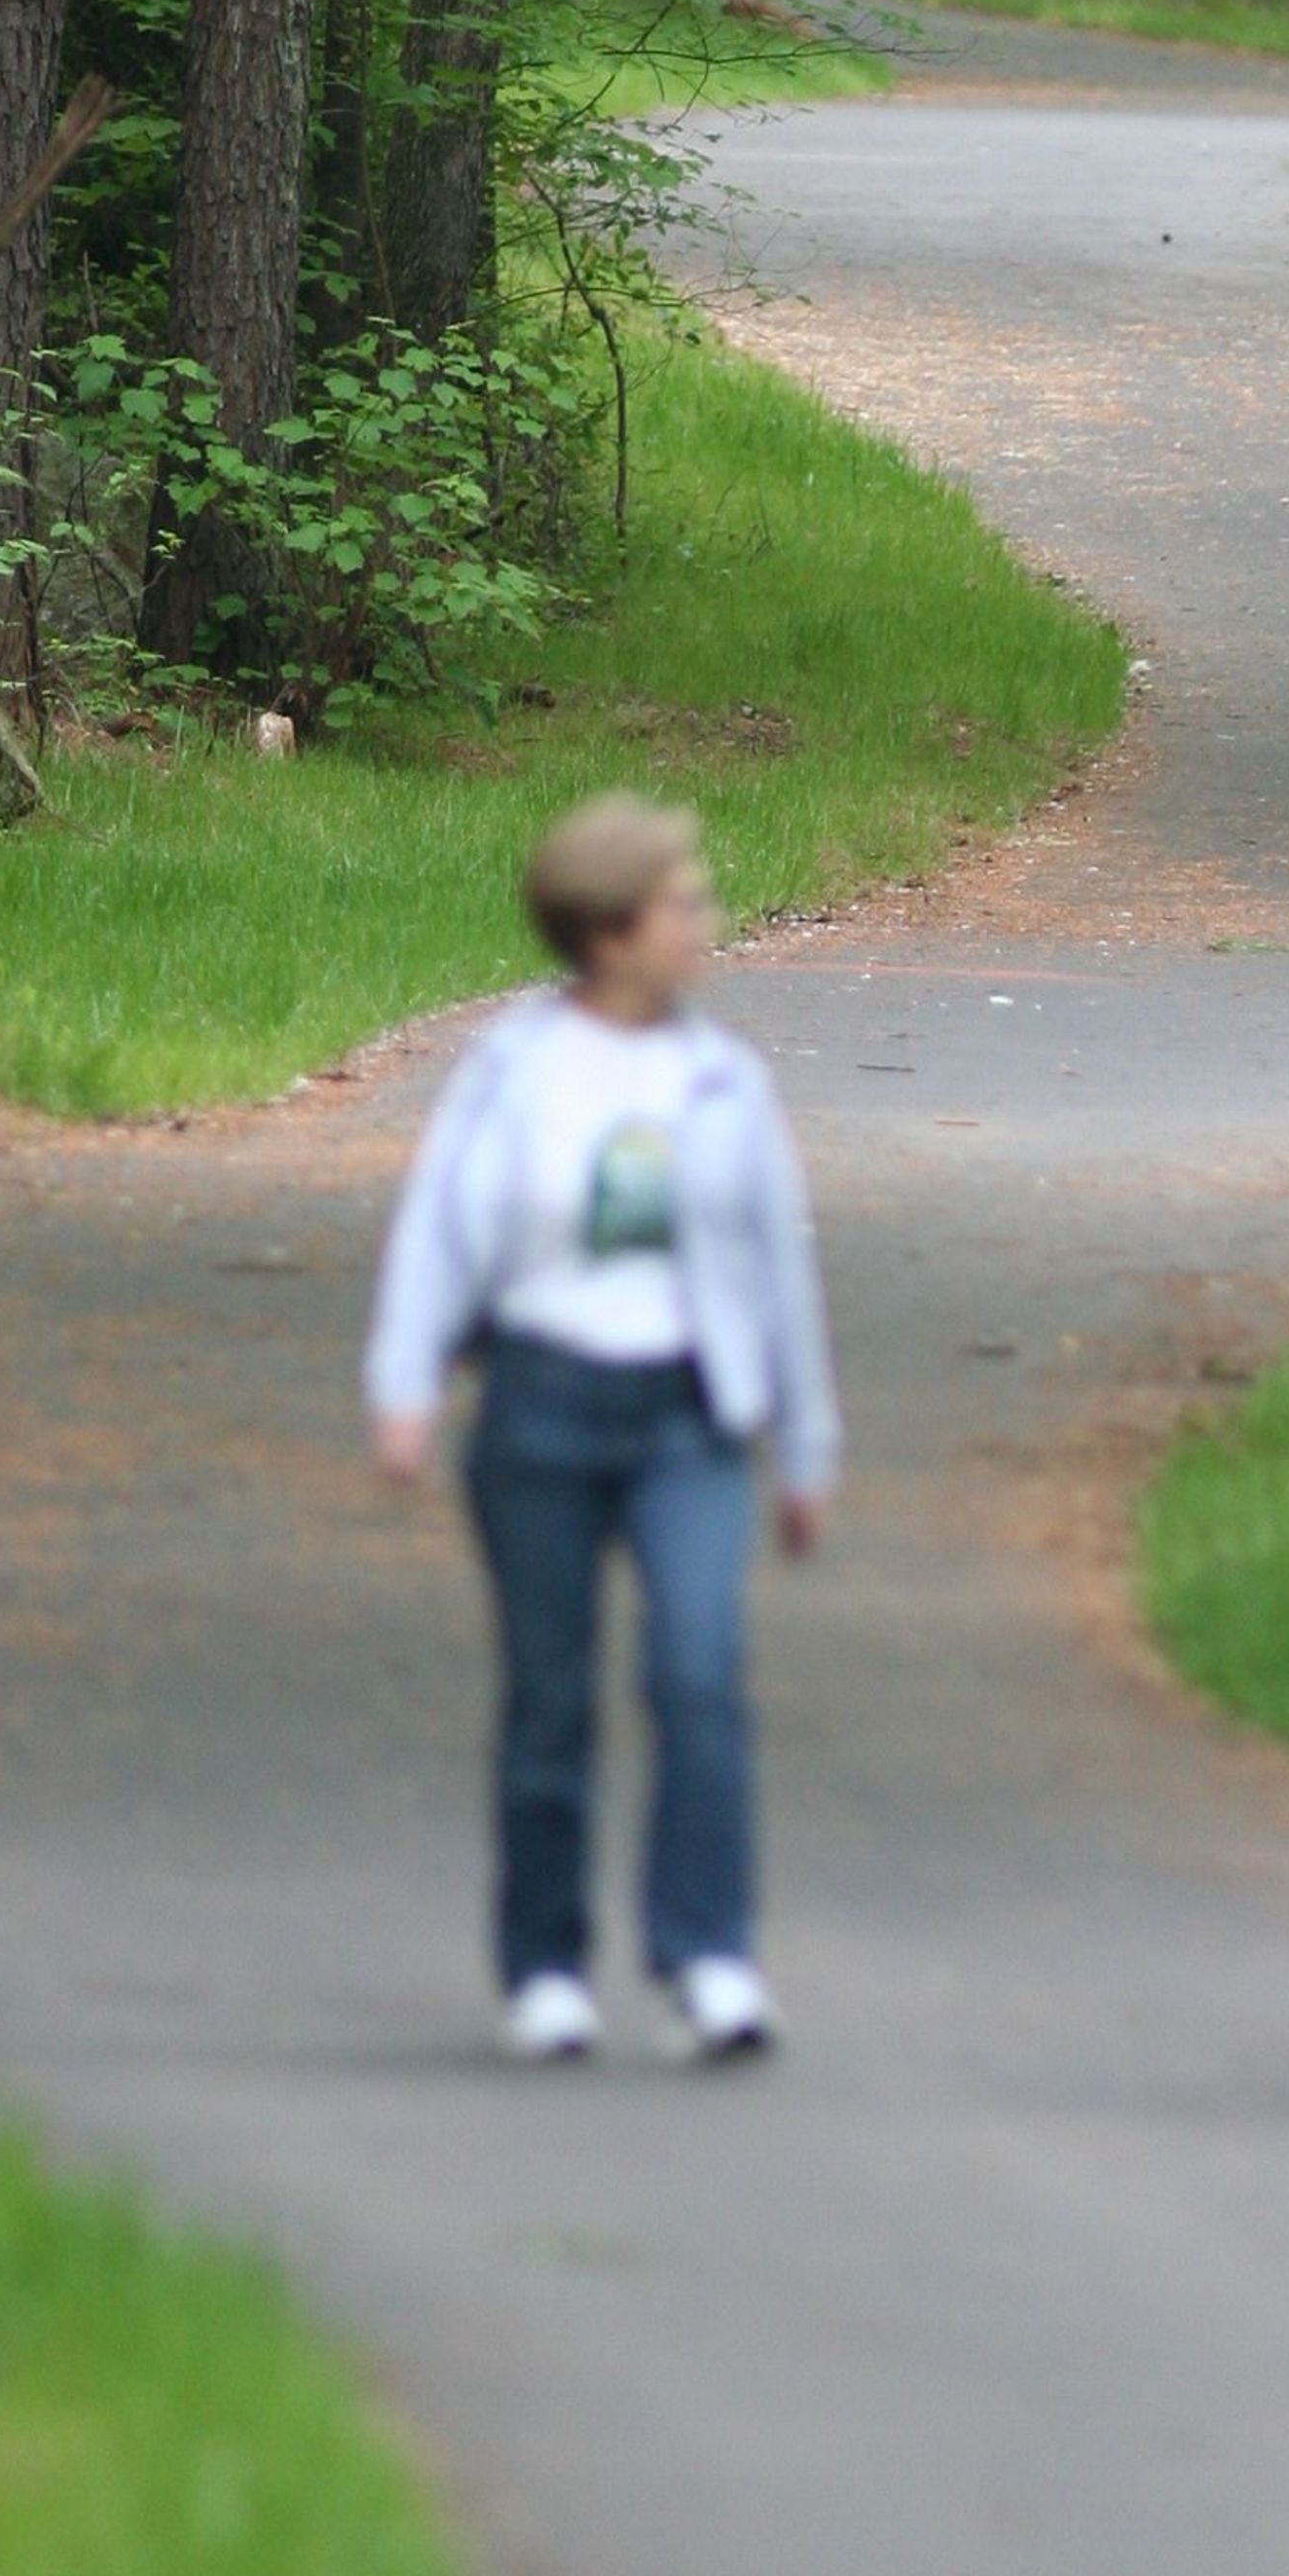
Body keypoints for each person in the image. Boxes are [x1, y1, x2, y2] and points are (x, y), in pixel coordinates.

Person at [364, 795, 840, 2064]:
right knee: (551, 1698)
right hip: (540, 1401)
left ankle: (711, 1960)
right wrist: (405, 1384)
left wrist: (805, 1447)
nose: (709, 924)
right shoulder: (513, 1071)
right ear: (615, 931)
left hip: (689, 1413)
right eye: (687, 903)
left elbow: (776, 1271)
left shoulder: (723, 1079)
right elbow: (437, 1231)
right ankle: (545, 1967)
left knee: (697, 1674)